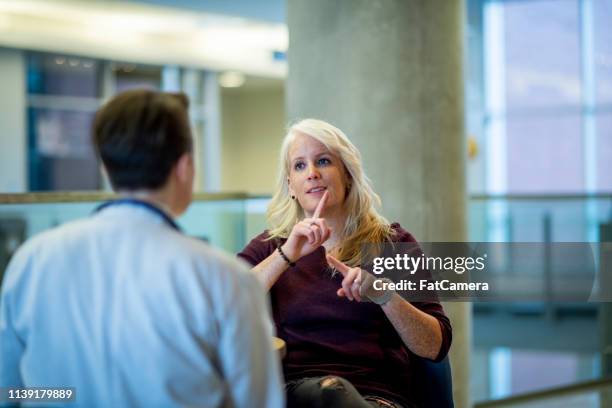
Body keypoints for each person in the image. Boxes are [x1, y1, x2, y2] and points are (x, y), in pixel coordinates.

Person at [0, 89, 284, 408]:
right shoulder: (223, 278)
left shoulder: (32, 260)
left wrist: (58, 395)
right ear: (184, 167)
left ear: (106, 169)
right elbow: (258, 402)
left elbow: (10, 391)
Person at [238, 119, 452, 408]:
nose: (312, 173)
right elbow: (225, 299)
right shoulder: (273, 246)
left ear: (347, 175)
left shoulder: (392, 244)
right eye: (299, 166)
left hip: (378, 398)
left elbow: (434, 345)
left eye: (323, 161)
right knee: (329, 393)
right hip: (297, 395)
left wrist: (384, 296)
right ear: (291, 185)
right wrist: (286, 255)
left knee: (336, 395)